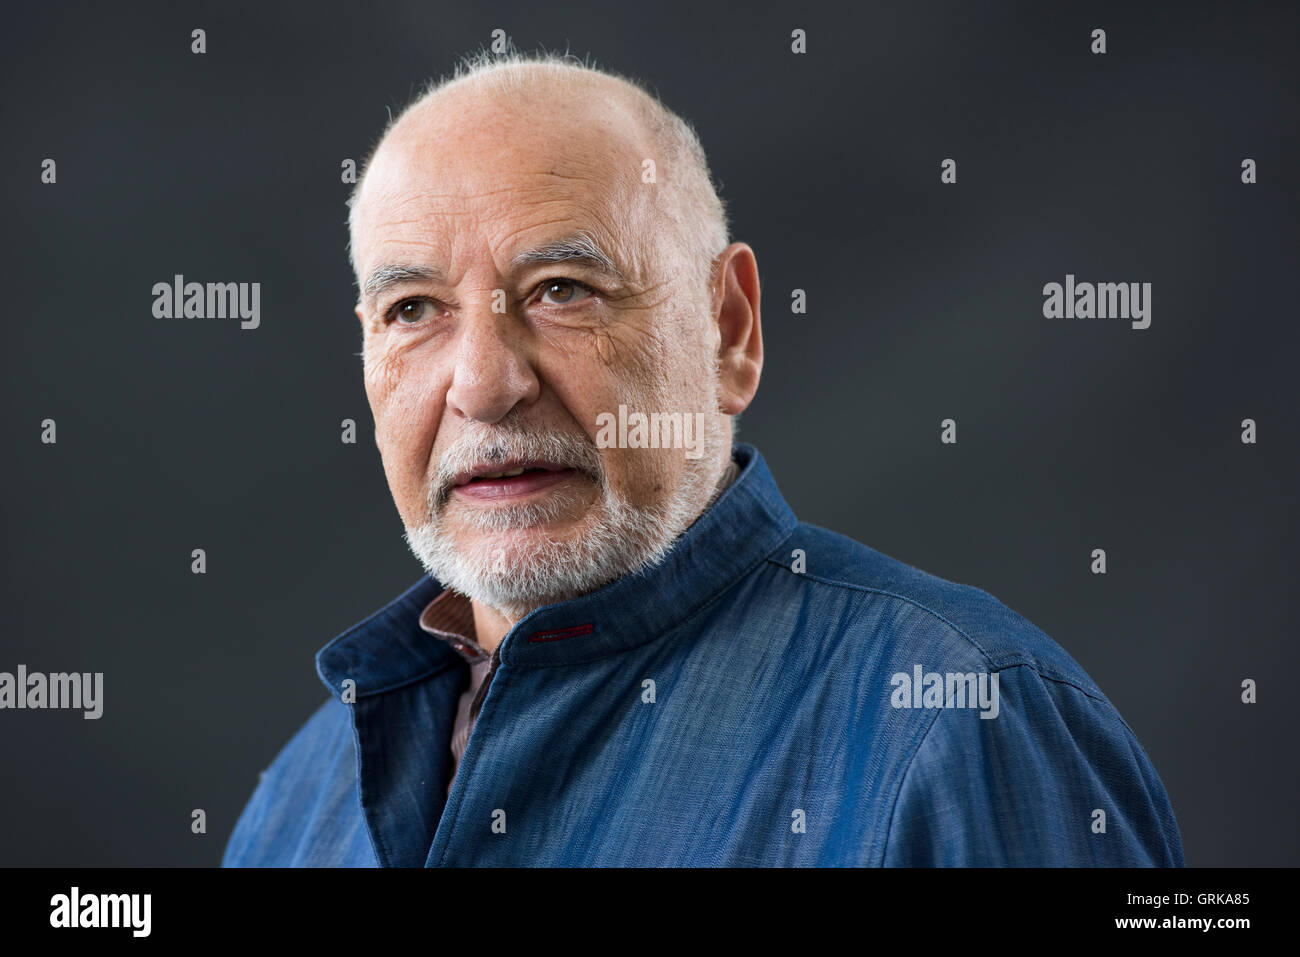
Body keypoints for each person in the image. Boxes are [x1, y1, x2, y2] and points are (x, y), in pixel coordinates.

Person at [222, 50, 1184, 867]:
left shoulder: (962, 724)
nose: (482, 383)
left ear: (729, 329)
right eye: (415, 310)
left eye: (563, 288)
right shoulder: (301, 804)